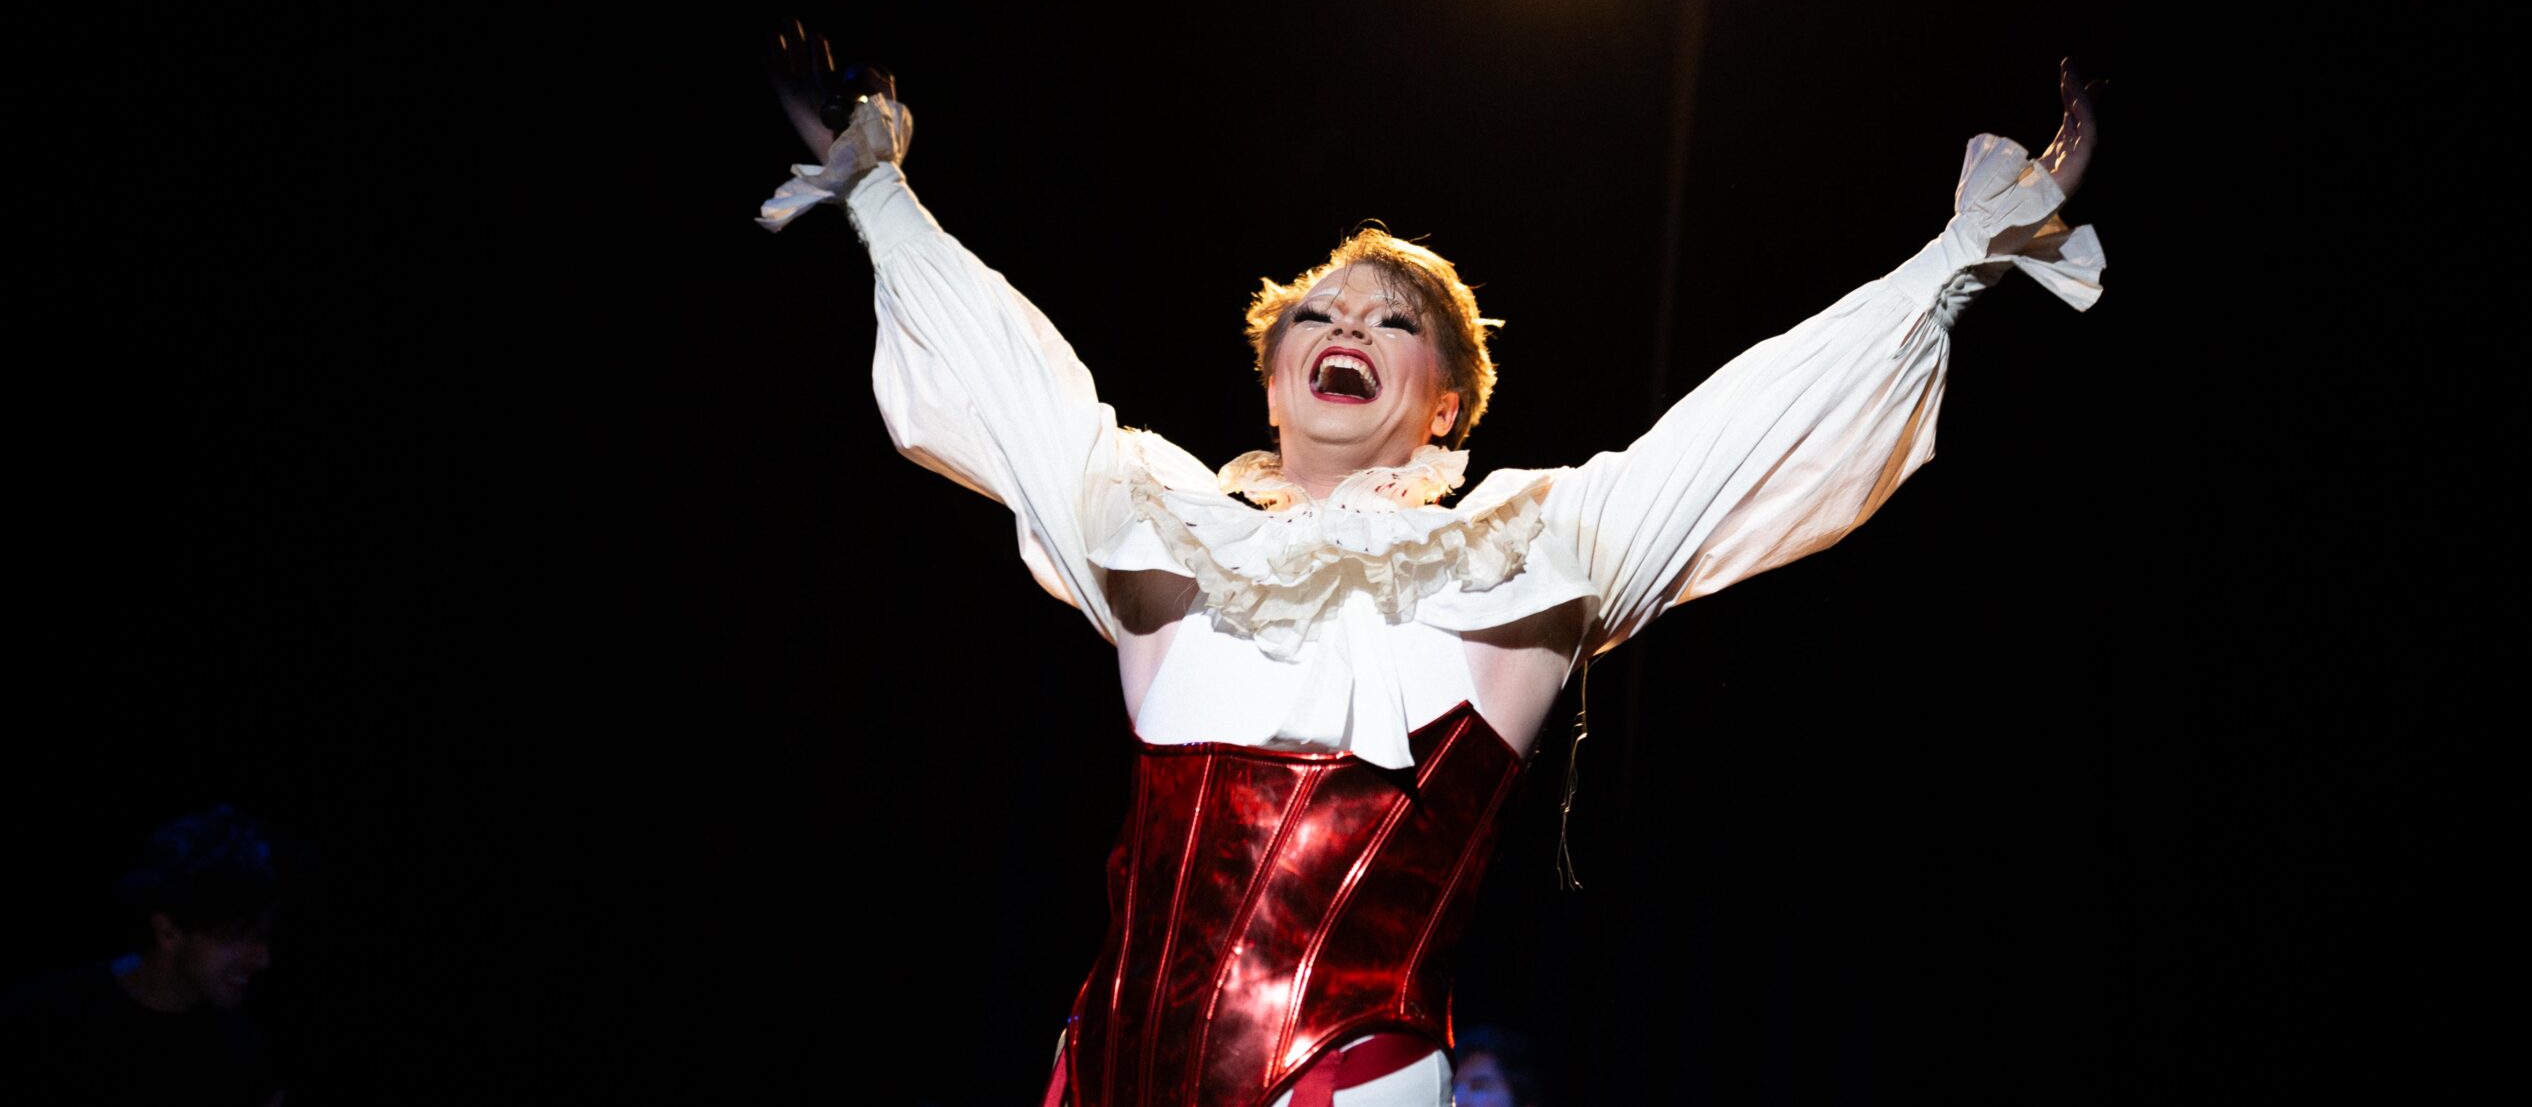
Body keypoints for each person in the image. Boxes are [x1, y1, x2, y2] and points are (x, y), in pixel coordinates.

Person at [759, 60, 2101, 1107]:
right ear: (1273, 377)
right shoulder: (1157, 529)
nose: (1347, 325)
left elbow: (1738, 434)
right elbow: (1009, 383)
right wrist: (875, 188)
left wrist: (1959, 256)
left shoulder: (1522, 554)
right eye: (1318, 312)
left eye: (1393, 317)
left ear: (1446, 398)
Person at [0, 806, 285, 1107]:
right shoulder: (42, 1022)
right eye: (237, 936)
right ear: (168, 932)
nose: (262, 959)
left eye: (263, 937)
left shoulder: (246, 1054)